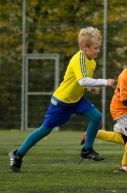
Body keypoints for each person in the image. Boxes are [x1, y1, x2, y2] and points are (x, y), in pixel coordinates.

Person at [9, 26, 115, 172]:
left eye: (99, 47)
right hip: (61, 102)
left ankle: (87, 149)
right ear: (84, 48)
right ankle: (18, 153)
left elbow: (80, 82)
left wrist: (90, 89)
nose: (99, 50)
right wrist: (105, 82)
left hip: (77, 100)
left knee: (96, 116)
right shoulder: (79, 59)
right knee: (45, 130)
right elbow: (83, 80)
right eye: (96, 48)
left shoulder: (92, 61)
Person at [81, 44, 127, 172]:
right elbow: (125, 100)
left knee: (121, 138)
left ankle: (92, 134)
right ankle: (126, 165)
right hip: (120, 108)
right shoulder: (124, 77)